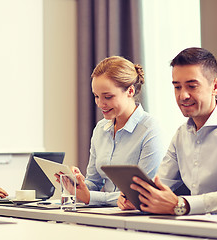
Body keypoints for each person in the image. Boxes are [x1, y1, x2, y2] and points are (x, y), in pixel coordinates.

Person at [118, 47, 217, 215]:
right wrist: (141, 198)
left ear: (215, 86)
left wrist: (181, 204)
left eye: (192, 86)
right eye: (177, 87)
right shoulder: (181, 135)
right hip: (192, 225)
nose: (183, 95)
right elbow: (161, 183)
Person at [58, 56, 165, 206]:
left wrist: (90, 197)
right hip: (105, 215)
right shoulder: (100, 129)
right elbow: (94, 183)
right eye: (96, 96)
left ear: (130, 91)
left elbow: (141, 193)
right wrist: (78, 185)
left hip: (137, 220)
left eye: (108, 97)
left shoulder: (151, 129)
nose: (100, 104)